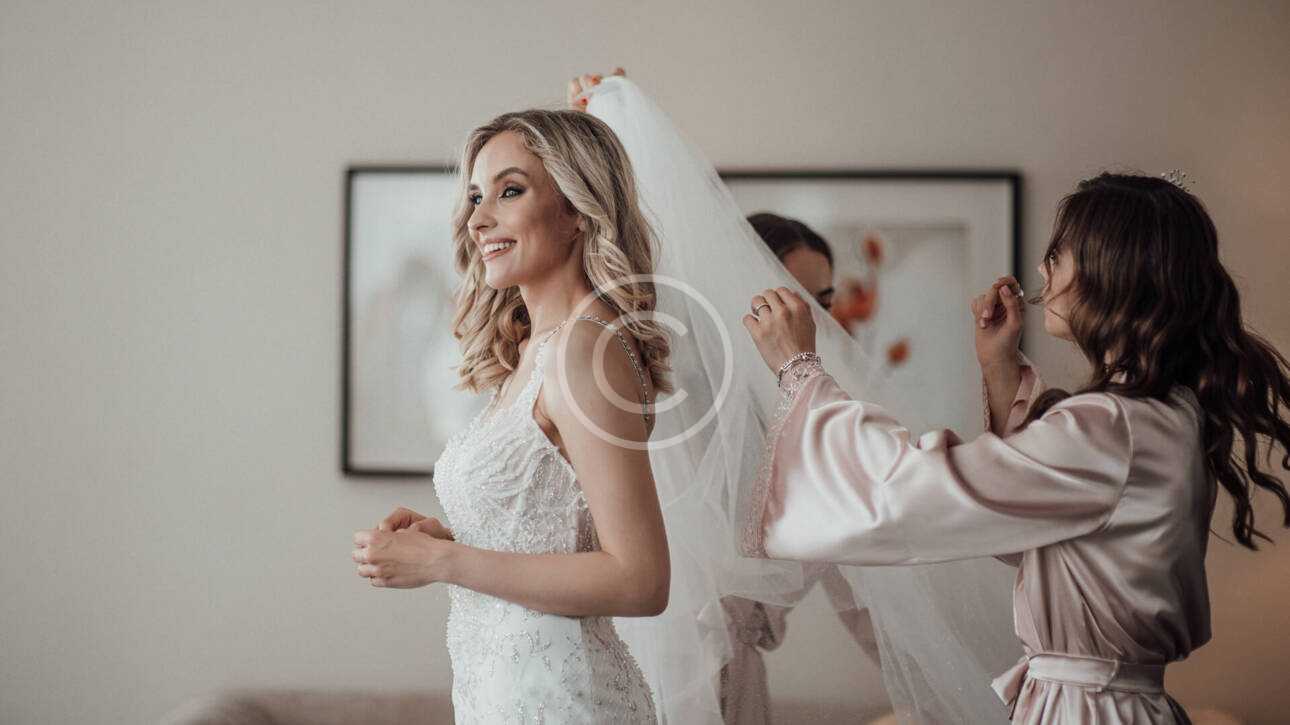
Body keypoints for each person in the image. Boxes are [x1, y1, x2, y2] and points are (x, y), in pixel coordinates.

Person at [743, 172, 1290, 723]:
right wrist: (1001, 369)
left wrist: (800, 371)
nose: (1042, 272)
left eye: (1057, 255)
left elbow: (908, 493)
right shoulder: (1159, 413)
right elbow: (1032, 510)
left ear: (1107, 269)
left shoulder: (1112, 427)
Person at [570, 71, 1022, 723]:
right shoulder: (680, 409)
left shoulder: (822, 431)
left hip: (736, 686)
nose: (817, 320)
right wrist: (608, 133)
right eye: (794, 298)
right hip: (648, 671)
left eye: (825, 302)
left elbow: (878, 591)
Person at [351, 108, 674, 723]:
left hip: (563, 703)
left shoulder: (585, 350)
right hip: (508, 698)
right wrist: (452, 541)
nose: (478, 219)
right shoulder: (536, 349)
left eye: (510, 191)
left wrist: (445, 563)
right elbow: (557, 536)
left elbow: (641, 580)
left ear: (578, 210)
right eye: (476, 196)